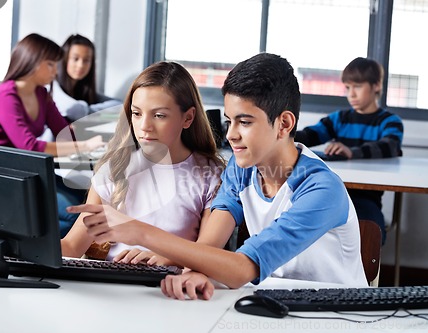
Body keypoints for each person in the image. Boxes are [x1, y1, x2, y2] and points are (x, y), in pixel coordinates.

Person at [67, 52, 368, 300]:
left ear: (284, 123)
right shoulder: (241, 170)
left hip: (336, 311)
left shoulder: (321, 190)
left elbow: (240, 269)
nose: (232, 135)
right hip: (276, 302)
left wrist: (138, 231)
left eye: (245, 122)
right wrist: (193, 268)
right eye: (229, 121)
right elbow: (207, 248)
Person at [61, 61, 225, 263]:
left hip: (168, 287)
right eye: (137, 114)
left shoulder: (210, 175)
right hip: (111, 284)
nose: (144, 126)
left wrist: (165, 258)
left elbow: (208, 253)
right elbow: (71, 247)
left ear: (188, 118)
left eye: (159, 115)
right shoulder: (115, 167)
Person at [0, 33, 105, 237]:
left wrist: (103, 140)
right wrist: (84, 147)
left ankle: (34, 247)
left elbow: (64, 132)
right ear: (33, 62)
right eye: (51, 64)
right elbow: (30, 146)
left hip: (26, 171)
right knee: (76, 217)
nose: (56, 70)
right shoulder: (4, 95)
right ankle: (27, 249)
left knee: (87, 203)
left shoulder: (41, 94)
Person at [295, 57, 404, 244]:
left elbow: (390, 146)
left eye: (358, 87)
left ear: (376, 85)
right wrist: (280, 133)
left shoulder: (390, 122)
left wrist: (352, 152)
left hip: (366, 199)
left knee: (369, 235)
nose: (351, 94)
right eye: (347, 87)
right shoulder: (339, 119)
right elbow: (310, 135)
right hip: (331, 193)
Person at [54, 34, 121, 122]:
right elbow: (74, 110)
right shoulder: (51, 87)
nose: (80, 65)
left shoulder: (84, 90)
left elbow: (121, 106)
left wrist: (88, 113)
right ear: (65, 59)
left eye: (86, 60)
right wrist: (97, 115)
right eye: (75, 59)